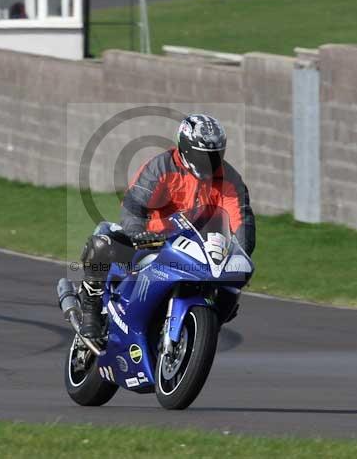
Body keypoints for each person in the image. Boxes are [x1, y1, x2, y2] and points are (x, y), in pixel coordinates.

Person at [79, 114, 256, 339]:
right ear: (186, 148)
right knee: (103, 240)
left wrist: (241, 251)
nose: (209, 162)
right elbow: (134, 204)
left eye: (215, 155)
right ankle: (91, 308)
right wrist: (136, 232)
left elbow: (242, 220)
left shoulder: (229, 179)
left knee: (232, 283)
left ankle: (203, 329)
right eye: (203, 155)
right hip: (152, 242)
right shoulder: (161, 167)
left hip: (197, 252)